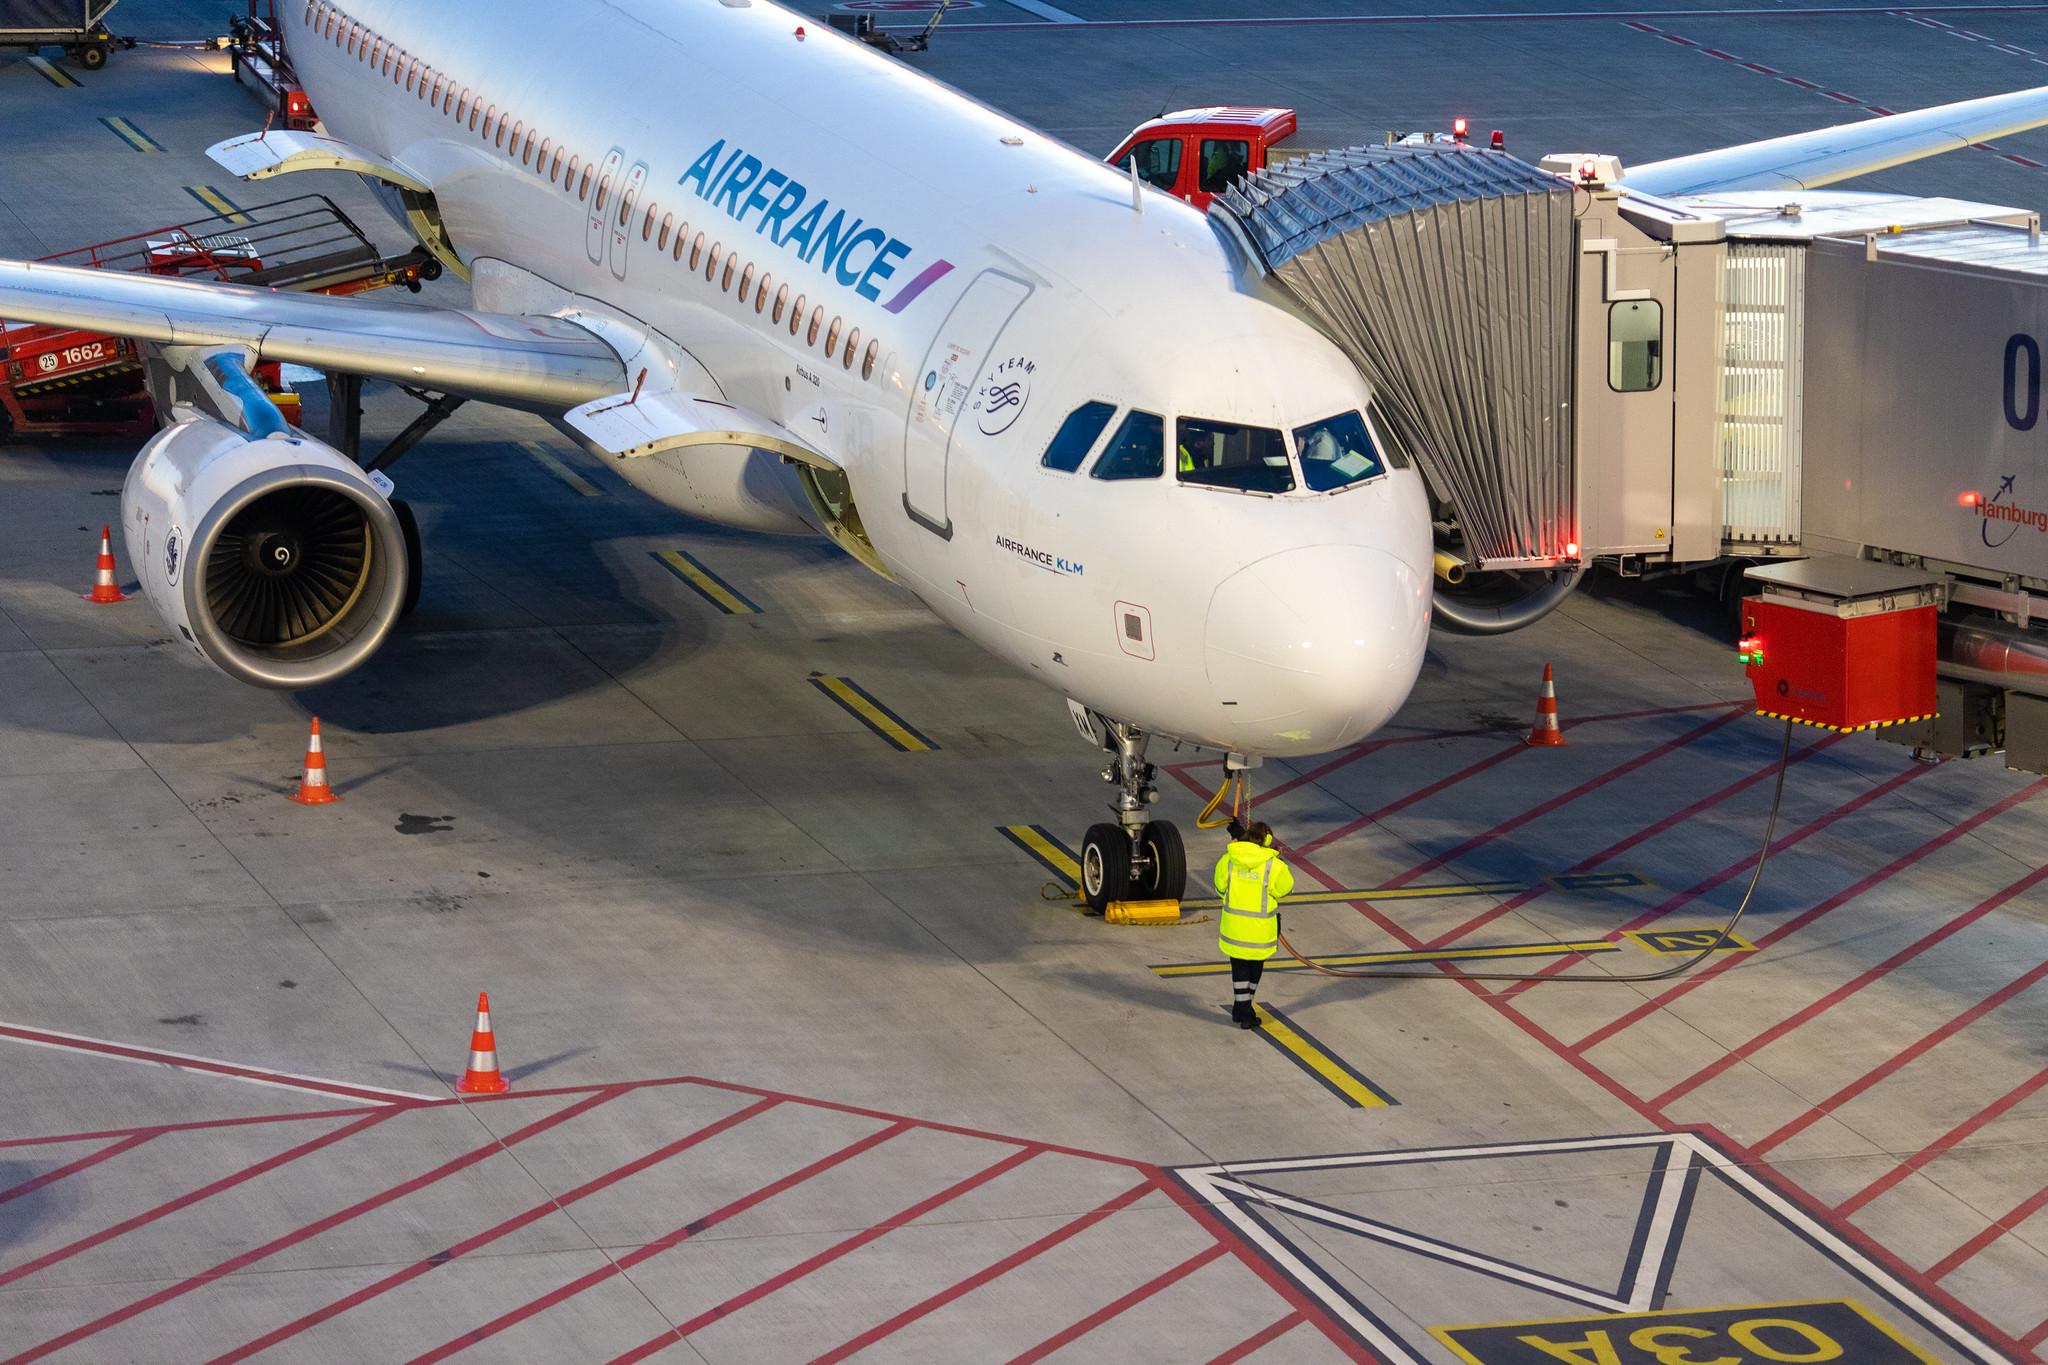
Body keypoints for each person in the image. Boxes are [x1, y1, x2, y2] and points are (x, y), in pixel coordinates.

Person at [1215, 820, 1294, 1028]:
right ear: (1267, 841)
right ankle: (1245, 1012)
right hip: (1260, 932)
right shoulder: (1273, 865)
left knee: (1239, 970)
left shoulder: (1228, 860)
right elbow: (1285, 889)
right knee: (1254, 971)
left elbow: (1219, 887)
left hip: (1234, 929)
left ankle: (1241, 1008)